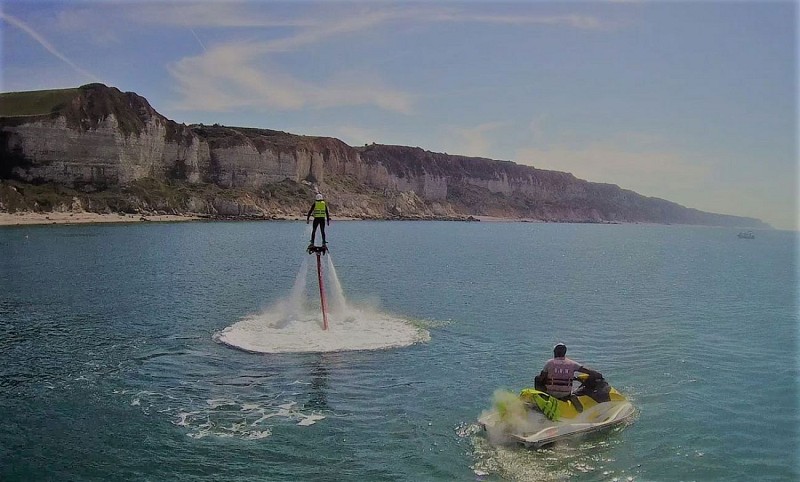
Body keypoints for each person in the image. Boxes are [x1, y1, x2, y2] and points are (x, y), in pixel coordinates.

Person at [535, 343, 602, 400]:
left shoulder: (549, 363)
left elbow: (542, 378)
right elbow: (588, 371)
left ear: (554, 352)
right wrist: (598, 374)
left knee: (537, 378)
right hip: (565, 394)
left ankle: (541, 397)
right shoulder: (572, 363)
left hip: (551, 393)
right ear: (565, 352)